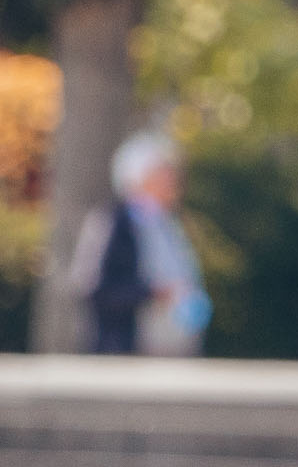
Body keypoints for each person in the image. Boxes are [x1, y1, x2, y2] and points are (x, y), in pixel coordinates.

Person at [67, 131, 208, 358]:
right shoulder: (112, 222)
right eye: (163, 174)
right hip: (125, 352)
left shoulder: (168, 224)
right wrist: (152, 293)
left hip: (172, 350)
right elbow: (93, 286)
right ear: (138, 177)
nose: (172, 182)